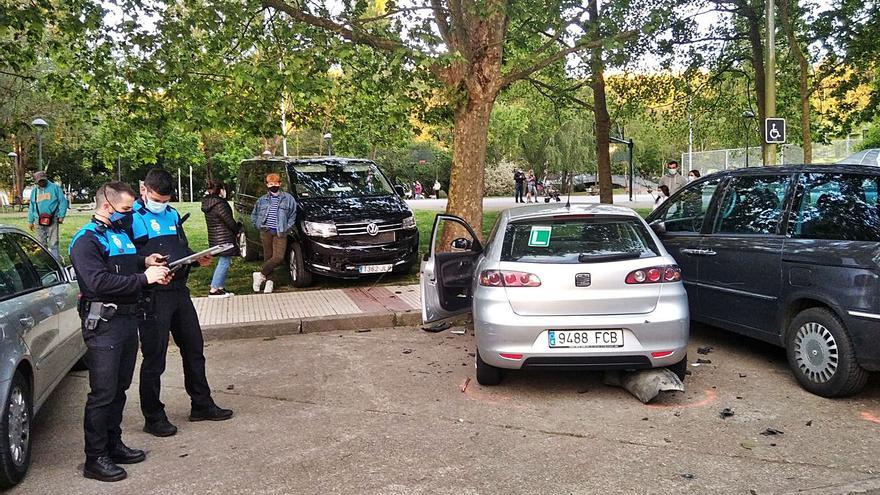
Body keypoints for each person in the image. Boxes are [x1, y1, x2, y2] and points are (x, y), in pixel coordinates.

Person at [68, 181, 171, 481]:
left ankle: (113, 444)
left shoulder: (117, 233)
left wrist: (145, 262)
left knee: (119, 389)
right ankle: (95, 458)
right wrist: (145, 278)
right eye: (125, 209)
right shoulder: (85, 240)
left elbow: (124, 264)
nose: (129, 215)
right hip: (104, 325)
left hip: (127, 321)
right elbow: (97, 282)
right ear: (106, 207)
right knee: (102, 393)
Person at [131, 168, 233, 438]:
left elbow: (181, 247)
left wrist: (196, 258)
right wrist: (145, 264)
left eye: (166, 200)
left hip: (179, 290)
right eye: (157, 199)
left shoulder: (173, 215)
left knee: (194, 348)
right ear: (144, 190)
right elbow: (128, 258)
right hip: (153, 295)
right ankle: (153, 416)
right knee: (155, 357)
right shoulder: (130, 218)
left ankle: (201, 404)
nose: (161, 205)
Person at [251, 172, 297, 294]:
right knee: (268, 257)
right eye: (270, 183)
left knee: (278, 257)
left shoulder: (288, 199)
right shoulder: (262, 200)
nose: (273, 185)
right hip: (266, 231)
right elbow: (254, 215)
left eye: (275, 183)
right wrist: (258, 225)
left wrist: (287, 227)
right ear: (267, 185)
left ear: (280, 183)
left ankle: (260, 275)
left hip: (280, 232)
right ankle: (269, 283)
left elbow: (293, 215)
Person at [201, 180, 240, 298]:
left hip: (215, 237)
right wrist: (237, 230)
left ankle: (220, 287)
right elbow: (229, 221)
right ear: (220, 190)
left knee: (225, 261)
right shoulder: (220, 204)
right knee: (224, 262)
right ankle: (214, 288)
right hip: (224, 237)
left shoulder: (207, 203)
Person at [28, 170, 68, 259]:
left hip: (53, 218)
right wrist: (30, 221)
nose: (42, 183)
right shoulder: (34, 191)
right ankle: (45, 263)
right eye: (39, 181)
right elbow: (32, 206)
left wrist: (61, 216)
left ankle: (56, 261)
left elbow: (63, 202)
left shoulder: (55, 188)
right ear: (36, 182)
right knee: (41, 243)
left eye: (43, 180)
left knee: (54, 242)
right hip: (38, 219)